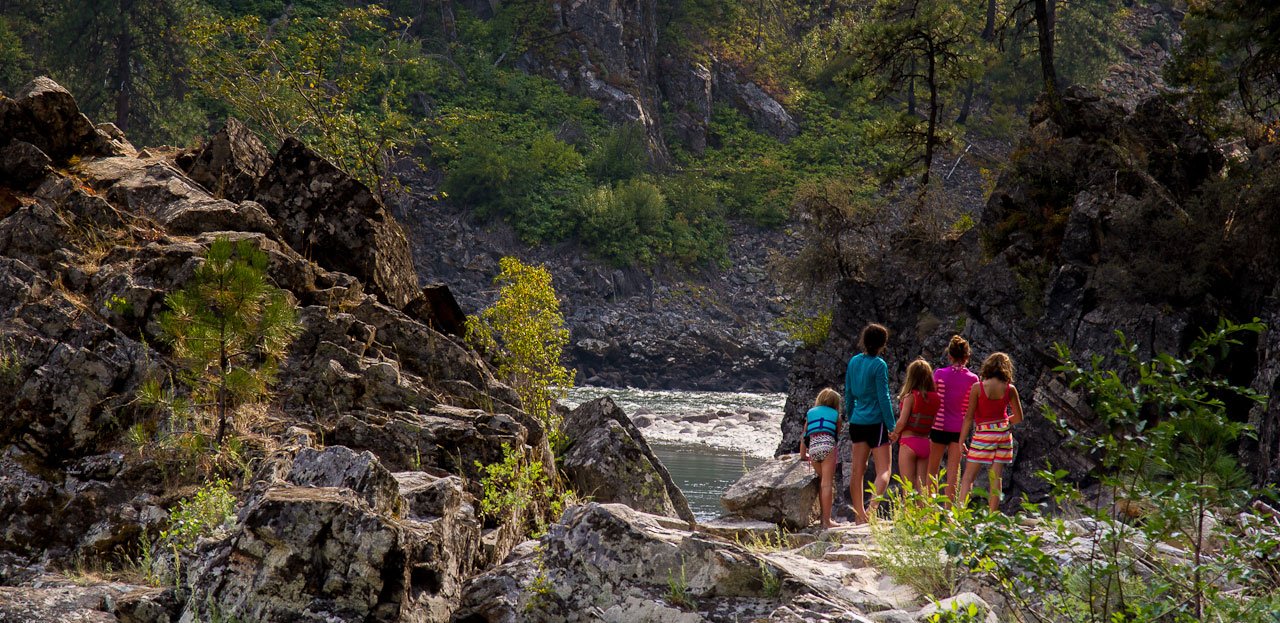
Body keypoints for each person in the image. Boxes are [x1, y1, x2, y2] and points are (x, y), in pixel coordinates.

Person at [958, 352, 1024, 512]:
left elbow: (969, 417)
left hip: (983, 434)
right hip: (1003, 434)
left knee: (968, 477)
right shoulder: (1010, 389)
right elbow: (1019, 417)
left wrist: (961, 441)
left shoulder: (978, 388)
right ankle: (991, 516)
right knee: (996, 477)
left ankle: (959, 514)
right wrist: (1002, 424)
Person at [844, 322, 896, 524]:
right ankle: (872, 510)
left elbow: (848, 393)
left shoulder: (854, 362)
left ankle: (859, 515)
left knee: (857, 470)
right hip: (877, 423)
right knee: (884, 470)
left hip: (857, 421)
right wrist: (891, 426)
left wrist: (852, 416)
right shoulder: (879, 365)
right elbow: (883, 397)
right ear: (882, 344)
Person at [929, 335, 979, 505]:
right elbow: (972, 409)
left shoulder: (939, 374)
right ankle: (949, 511)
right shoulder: (973, 379)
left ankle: (930, 510)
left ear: (949, 356)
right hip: (959, 430)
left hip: (939, 425)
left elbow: (933, 399)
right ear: (967, 357)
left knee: (932, 470)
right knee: (953, 472)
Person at [888, 359, 940, 494]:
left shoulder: (910, 397)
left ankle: (908, 508)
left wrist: (895, 433)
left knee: (908, 486)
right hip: (925, 443)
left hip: (909, 443)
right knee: (922, 486)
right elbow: (933, 422)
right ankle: (924, 508)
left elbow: (902, 421)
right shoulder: (935, 398)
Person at [799, 388, 842, 529]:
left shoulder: (811, 413)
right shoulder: (836, 416)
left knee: (822, 481)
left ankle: (823, 518)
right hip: (827, 447)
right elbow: (836, 435)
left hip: (813, 449)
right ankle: (827, 521)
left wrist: (803, 455)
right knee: (827, 484)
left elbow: (804, 436)